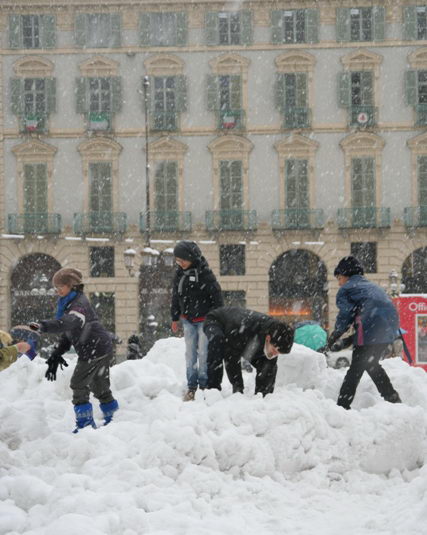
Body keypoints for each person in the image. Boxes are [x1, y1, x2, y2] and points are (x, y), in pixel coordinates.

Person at [29, 267, 119, 432]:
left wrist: (44, 326)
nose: (58, 291)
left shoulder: (78, 305)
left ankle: (85, 425)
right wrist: (57, 352)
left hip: (94, 349)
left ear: (72, 286)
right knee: (99, 385)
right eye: (56, 288)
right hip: (101, 346)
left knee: (78, 384)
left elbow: (70, 323)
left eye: (61, 287)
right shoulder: (71, 302)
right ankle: (113, 418)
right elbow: (70, 333)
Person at [328, 256, 402, 410]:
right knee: (371, 364)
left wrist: (336, 333)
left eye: (339, 278)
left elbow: (346, 314)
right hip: (388, 329)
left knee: (355, 369)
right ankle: (393, 399)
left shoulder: (346, 289)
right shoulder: (372, 287)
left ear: (345, 275)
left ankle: (342, 407)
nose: (339, 282)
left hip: (370, 329)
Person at [171, 240, 223, 401]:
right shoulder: (179, 274)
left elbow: (217, 299)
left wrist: (216, 320)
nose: (180, 263)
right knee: (190, 355)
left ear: (191, 257)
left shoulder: (206, 275)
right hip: (188, 320)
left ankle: (204, 386)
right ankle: (192, 387)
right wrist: (175, 317)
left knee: (204, 353)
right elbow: (175, 297)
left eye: (182, 260)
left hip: (205, 322)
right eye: (177, 260)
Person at [204, 307, 294, 396]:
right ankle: (213, 390)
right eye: (275, 350)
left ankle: (262, 394)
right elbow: (231, 359)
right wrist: (238, 388)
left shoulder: (276, 333)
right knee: (217, 343)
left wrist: (265, 396)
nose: (275, 354)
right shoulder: (244, 330)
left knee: (268, 364)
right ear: (268, 338)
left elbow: (270, 365)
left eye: (278, 353)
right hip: (217, 321)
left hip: (248, 337)